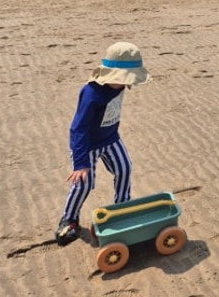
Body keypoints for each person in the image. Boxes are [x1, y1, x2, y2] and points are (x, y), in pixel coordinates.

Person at [55, 41, 151, 246]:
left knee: (124, 168)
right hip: (87, 144)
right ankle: (69, 219)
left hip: (110, 139)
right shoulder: (91, 93)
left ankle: (122, 207)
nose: (127, 83)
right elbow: (78, 128)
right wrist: (80, 163)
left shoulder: (121, 86)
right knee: (84, 183)